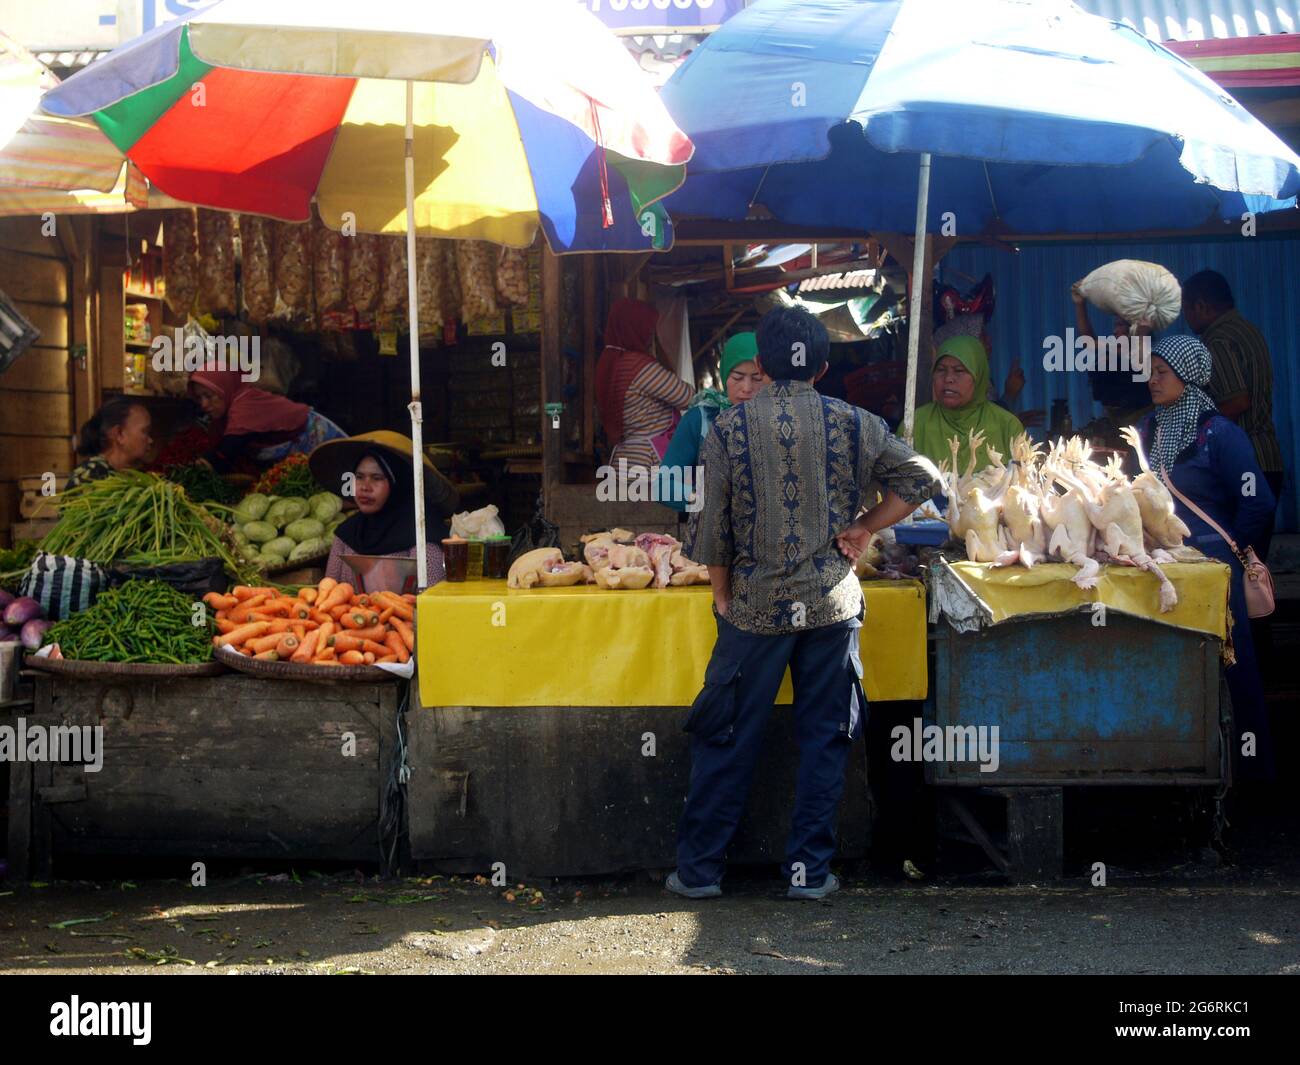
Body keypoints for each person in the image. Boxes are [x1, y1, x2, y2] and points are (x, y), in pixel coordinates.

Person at [668, 307, 940, 901]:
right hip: (830, 606)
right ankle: (809, 875)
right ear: (821, 366)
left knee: (726, 735)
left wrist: (720, 597)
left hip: (753, 608)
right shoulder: (855, 422)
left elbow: (711, 529)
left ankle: (699, 873)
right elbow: (923, 478)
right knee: (825, 739)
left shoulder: (729, 429)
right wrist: (867, 525)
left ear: (761, 365)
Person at [1136, 336, 1276, 783]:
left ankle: (1250, 777)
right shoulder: (1148, 430)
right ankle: (1183, 775)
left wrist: (1223, 552)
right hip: (1164, 571)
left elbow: (1259, 502)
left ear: (1188, 375)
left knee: (1233, 672)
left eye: (1161, 372)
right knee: (1177, 668)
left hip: (1215, 576)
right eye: (1150, 370)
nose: (1151, 379)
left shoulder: (1218, 434)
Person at [1181, 270, 1284, 560]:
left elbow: (1237, 401)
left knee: (1233, 563)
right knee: (1254, 563)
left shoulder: (1219, 340)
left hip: (1244, 465)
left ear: (1200, 306)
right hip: (1267, 459)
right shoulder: (1247, 330)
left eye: (1187, 308)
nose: (1186, 318)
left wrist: (1196, 432)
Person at [309, 431, 460, 591]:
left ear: (398, 484)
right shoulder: (347, 533)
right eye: (359, 477)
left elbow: (430, 598)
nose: (365, 487)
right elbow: (329, 589)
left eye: (377, 478)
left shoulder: (423, 534)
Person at [657, 332, 768, 512]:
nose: (747, 388)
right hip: (714, 535)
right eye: (738, 377)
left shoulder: (782, 418)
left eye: (757, 378)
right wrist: (708, 501)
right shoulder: (701, 419)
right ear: (724, 374)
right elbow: (663, 486)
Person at [594, 298, 694, 469]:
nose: (650, 335)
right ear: (634, 328)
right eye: (648, 330)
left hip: (624, 459)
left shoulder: (609, 361)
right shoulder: (640, 367)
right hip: (649, 460)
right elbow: (688, 397)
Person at [189, 368, 346, 473]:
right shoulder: (226, 414)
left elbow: (229, 447)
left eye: (209, 396)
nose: (203, 404)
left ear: (224, 389)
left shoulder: (244, 404)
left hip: (314, 436)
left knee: (342, 476)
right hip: (293, 450)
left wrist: (206, 465)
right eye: (199, 398)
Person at [913, 335, 1024, 473]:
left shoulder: (1007, 426)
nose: (948, 378)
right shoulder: (915, 424)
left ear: (979, 375)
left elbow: (1022, 484)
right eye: (941, 370)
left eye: (959, 371)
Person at [67, 398, 153, 490]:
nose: (150, 440)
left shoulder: (136, 476)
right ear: (119, 434)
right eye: (145, 432)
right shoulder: (90, 477)